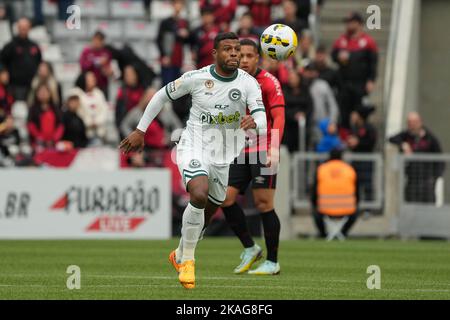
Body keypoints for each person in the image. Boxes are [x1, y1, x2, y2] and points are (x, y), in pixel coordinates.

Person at [119, 32, 266, 289]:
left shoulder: (248, 83)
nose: (234, 54)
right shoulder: (197, 78)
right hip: (193, 147)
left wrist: (255, 123)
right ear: (215, 54)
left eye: (237, 51)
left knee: (207, 214)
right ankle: (188, 261)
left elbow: (262, 119)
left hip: (224, 156)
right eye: (228, 50)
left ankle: (178, 254)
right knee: (198, 194)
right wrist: (141, 130)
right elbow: (161, 95)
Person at [206, 39, 285, 275]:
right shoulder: (231, 81)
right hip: (238, 150)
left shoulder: (269, 82)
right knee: (224, 199)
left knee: (263, 203)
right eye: (242, 55)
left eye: (251, 56)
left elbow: (279, 117)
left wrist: (274, 148)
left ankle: (272, 262)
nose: (246, 60)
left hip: (263, 149)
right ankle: (250, 248)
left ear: (258, 58)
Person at [331, 12, 378, 128]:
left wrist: (371, 80)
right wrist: (338, 57)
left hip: (360, 83)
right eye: (347, 23)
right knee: (344, 111)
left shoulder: (368, 42)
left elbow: (373, 63)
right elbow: (333, 56)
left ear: (358, 24)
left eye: (351, 22)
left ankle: (360, 137)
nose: (348, 25)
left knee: (360, 112)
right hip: (344, 82)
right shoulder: (341, 40)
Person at [388, 112, 444, 203]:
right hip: (412, 179)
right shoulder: (406, 135)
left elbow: (440, 158)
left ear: (420, 122)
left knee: (427, 206)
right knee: (410, 204)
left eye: (414, 122)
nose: (412, 125)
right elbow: (391, 138)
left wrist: (436, 176)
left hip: (427, 180)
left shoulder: (430, 138)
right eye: (409, 123)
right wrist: (403, 145)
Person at [311, 148, 359, 238]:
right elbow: (357, 193)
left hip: (325, 209)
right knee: (356, 211)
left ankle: (323, 234)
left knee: (315, 211)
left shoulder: (321, 169)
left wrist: (314, 203)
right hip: (347, 209)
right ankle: (343, 233)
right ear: (342, 157)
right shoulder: (350, 169)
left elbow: (314, 192)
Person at [0, 17, 42, 100]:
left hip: (32, 85)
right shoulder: (10, 45)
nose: (23, 29)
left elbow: (40, 62)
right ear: (17, 28)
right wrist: (3, 71)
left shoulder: (34, 46)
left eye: (25, 27)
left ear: (29, 28)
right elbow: (1, 60)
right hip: (15, 85)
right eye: (21, 27)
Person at [344, 106, 377, 201]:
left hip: (366, 160)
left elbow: (371, 142)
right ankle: (356, 204)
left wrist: (358, 142)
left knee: (367, 183)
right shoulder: (354, 128)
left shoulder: (369, 128)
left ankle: (368, 207)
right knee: (355, 183)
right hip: (355, 160)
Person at [156, 0, 190, 86]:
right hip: (168, 59)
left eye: (180, 3)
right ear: (172, 5)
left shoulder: (184, 22)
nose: (178, 5)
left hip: (179, 59)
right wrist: (164, 56)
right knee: (167, 86)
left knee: (178, 87)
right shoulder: (166, 22)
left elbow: (188, 41)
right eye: (176, 3)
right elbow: (159, 40)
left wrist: (186, 35)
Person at [71, 71, 109, 144]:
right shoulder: (77, 93)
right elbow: (78, 112)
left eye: (93, 77)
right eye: (90, 78)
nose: (93, 79)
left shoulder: (99, 93)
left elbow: (104, 110)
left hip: (99, 131)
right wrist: (88, 122)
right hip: (83, 132)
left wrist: (97, 122)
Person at [27, 83, 64, 152]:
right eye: (41, 92)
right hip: (38, 143)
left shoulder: (55, 108)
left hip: (54, 142)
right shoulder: (33, 109)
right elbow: (30, 125)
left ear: (50, 94)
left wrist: (54, 139)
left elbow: (60, 126)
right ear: (37, 94)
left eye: (45, 91)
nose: (43, 94)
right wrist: (40, 138)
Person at [282, 70, 313, 152]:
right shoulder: (284, 90)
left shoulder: (305, 90)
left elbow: (310, 106)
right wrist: (293, 115)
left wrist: (304, 114)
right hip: (288, 126)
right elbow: (283, 108)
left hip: (303, 126)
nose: (292, 80)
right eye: (290, 78)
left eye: (294, 78)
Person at [79, 31, 113, 99]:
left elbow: (110, 70)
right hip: (88, 86)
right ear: (93, 39)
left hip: (102, 85)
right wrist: (97, 62)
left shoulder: (106, 53)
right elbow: (83, 66)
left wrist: (108, 72)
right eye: (96, 39)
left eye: (100, 40)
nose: (97, 42)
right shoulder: (86, 51)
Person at [115, 65, 145, 139]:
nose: (130, 77)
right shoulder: (122, 92)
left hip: (141, 119)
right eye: (127, 75)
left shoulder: (142, 89)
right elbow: (119, 116)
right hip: (128, 122)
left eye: (132, 74)